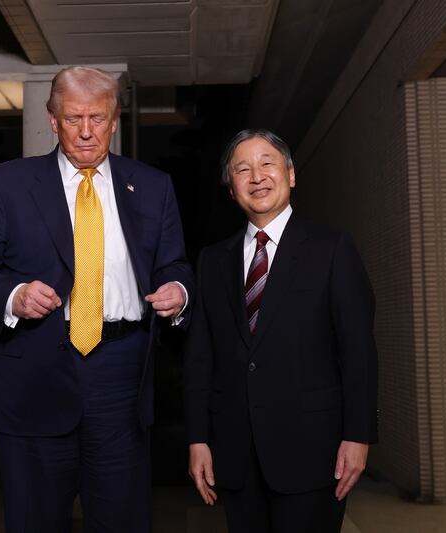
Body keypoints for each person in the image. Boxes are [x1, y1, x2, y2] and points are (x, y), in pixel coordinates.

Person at [0, 66, 193, 533]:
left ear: (115, 120)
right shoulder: (8, 184)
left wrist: (178, 291)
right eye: (73, 117)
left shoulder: (153, 186)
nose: (86, 131)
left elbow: (175, 265)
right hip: (36, 374)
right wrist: (13, 295)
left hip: (122, 376)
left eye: (97, 118)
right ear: (52, 119)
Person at [183, 129, 378, 533]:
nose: (256, 176)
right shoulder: (212, 261)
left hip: (313, 451)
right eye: (242, 169)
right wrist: (198, 438)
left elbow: (358, 350)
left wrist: (358, 436)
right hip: (235, 454)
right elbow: (201, 355)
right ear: (231, 187)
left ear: (290, 175)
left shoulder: (332, 248)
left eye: (267, 163)